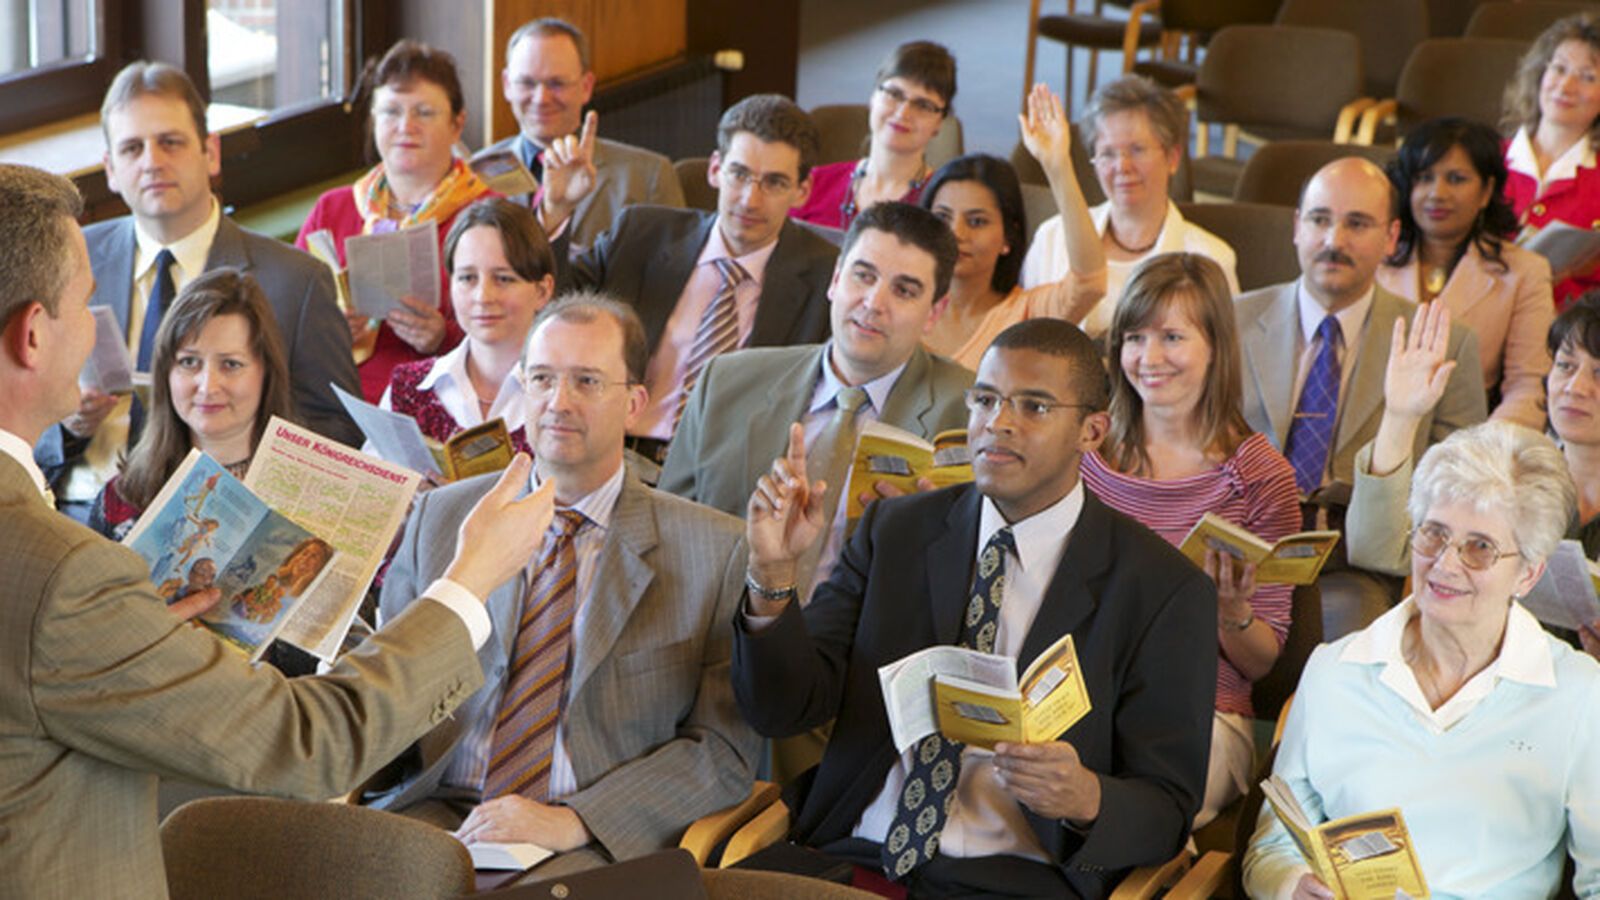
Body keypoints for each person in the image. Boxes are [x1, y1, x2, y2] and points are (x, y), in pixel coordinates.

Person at [0, 163, 554, 898]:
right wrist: (471, 579)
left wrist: (134, 637)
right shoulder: (66, 572)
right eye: (85, 304)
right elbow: (307, 743)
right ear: (34, 335)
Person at [734, 317, 1217, 896]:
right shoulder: (897, 532)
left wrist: (1087, 797)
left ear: (1092, 431)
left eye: (1034, 407)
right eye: (986, 399)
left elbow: (1167, 810)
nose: (998, 423)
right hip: (858, 856)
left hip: (1017, 878)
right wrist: (773, 574)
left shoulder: (1162, 589)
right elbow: (783, 709)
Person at [368, 293, 759, 880]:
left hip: (593, 841)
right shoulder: (444, 520)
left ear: (634, 403)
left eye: (586, 382)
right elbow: (388, 688)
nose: (558, 402)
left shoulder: (714, 551)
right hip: (434, 816)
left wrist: (576, 820)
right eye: (543, 379)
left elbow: (722, 753)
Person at [1243, 422, 1600, 898]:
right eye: (1434, 534)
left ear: (1528, 574)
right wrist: (1292, 885)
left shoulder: (1578, 696)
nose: (1446, 564)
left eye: (1480, 548)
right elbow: (1272, 845)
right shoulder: (1335, 670)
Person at [38, 60, 360, 520]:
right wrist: (67, 426)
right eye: (132, 148)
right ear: (110, 169)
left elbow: (339, 436)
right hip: (77, 508)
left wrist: (246, 431)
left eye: (170, 142)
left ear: (210, 152)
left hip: (227, 514)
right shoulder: (73, 259)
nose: (152, 162)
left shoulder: (295, 281)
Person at [1082, 252, 1300, 828]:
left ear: (1215, 348)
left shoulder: (1260, 475)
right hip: (1085, 694)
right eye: (1134, 337)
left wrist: (1230, 613)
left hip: (1201, 709)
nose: (1149, 359)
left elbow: (1263, 662)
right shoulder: (1088, 450)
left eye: (1172, 336)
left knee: (1128, 802)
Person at [1236, 157, 1487, 638]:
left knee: (1351, 638)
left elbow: (1459, 491)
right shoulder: (1231, 322)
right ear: (1296, 226)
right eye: (1319, 220)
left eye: (1357, 224)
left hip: (1354, 558)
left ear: (1392, 237)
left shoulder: (1442, 345)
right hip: (1243, 542)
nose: (1334, 241)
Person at [543, 93, 839, 463]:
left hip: (730, 476)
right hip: (617, 454)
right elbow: (553, 306)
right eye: (740, 174)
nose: (750, 199)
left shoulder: (826, 277)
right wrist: (557, 209)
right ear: (715, 169)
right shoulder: (641, 233)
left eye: (774, 183)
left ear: (802, 191)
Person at [1347, 295, 1600, 659]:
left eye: (1598, 373)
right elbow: (1379, 550)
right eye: (1564, 365)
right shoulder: (1511, 474)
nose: (1575, 387)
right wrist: (1401, 416)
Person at [296, 39, 493, 401]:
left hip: (439, 401)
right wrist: (328, 329)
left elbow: (518, 336)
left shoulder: (488, 216)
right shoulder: (333, 208)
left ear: (457, 124)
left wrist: (443, 337)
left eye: (424, 112)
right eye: (390, 112)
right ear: (374, 120)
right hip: (332, 396)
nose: (406, 127)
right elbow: (290, 312)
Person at [1019, 75, 1238, 339]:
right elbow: (1026, 342)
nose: (1122, 166)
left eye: (1137, 150)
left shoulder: (1211, 258)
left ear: (1173, 157)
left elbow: (1227, 365)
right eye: (1108, 154)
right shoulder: (1052, 237)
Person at [88, 269, 293, 543]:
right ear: (166, 373)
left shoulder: (311, 493)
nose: (208, 386)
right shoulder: (120, 499)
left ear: (266, 373)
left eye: (231, 364)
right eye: (189, 362)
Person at [1379, 116, 1555, 429]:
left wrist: (1479, 450)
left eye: (1456, 179)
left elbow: (1528, 387)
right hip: (1373, 426)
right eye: (1424, 178)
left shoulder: (1525, 271)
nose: (1437, 193)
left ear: (1487, 190)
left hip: (1468, 436)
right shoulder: (1376, 256)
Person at [922, 83, 1105, 369]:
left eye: (977, 221)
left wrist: (1057, 167)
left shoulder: (1026, 313)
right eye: (942, 217)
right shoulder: (904, 298)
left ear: (1008, 237)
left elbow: (1090, 280)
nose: (956, 233)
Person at [474, 17, 683, 253]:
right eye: (526, 83)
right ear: (506, 85)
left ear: (586, 86)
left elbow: (669, 278)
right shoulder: (474, 173)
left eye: (556, 84)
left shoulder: (648, 177)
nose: (541, 98)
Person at [379, 198, 556, 458]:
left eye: (504, 279)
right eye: (467, 278)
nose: (483, 296)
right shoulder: (407, 387)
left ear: (542, 291)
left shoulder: (565, 392)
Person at [789, 41, 956, 232]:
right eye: (894, 94)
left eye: (923, 105)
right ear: (873, 98)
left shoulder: (945, 206)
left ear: (939, 123)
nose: (903, 113)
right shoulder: (810, 185)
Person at [1503, 12, 1600, 309]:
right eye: (1559, 68)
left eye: (1588, 77)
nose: (1566, 86)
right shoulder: (1486, 160)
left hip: (1568, 332)